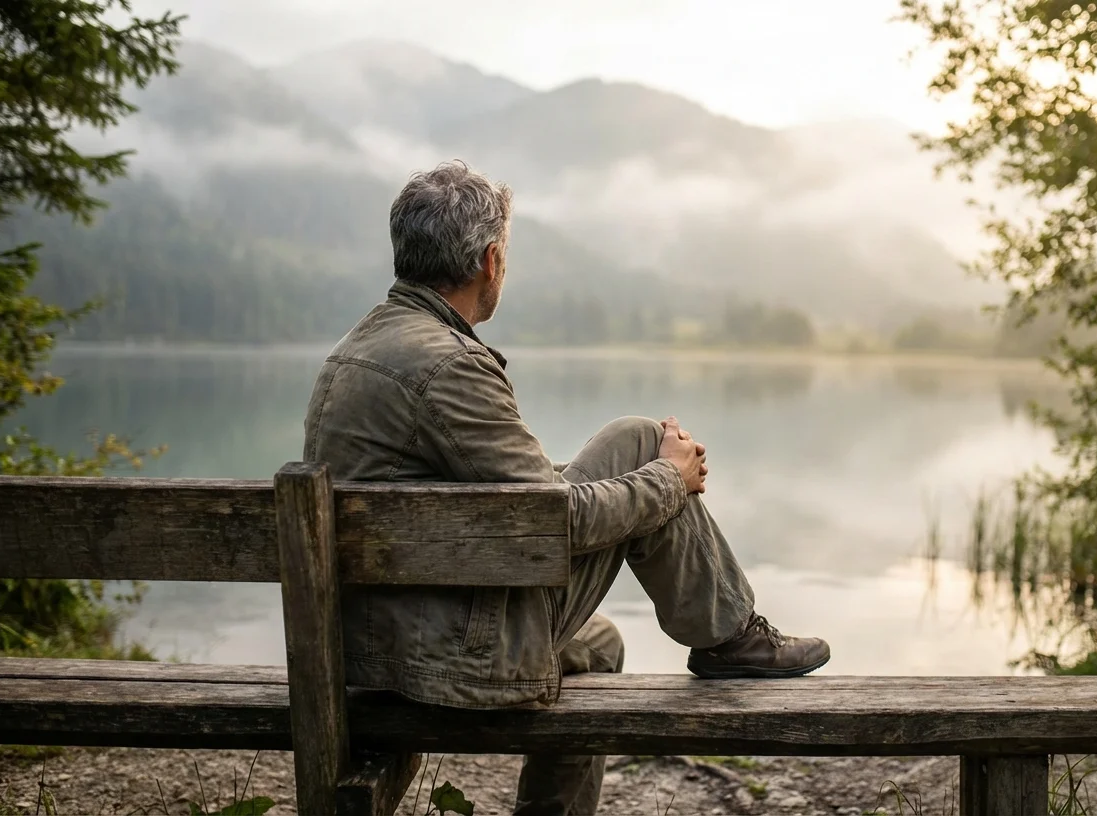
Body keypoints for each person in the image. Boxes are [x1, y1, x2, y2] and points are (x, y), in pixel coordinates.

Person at [303, 160, 830, 815]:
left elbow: (500, 497)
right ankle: (731, 638)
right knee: (644, 444)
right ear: (491, 260)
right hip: (441, 663)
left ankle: (726, 633)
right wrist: (668, 479)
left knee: (601, 643)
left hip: (367, 649)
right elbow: (554, 526)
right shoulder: (450, 365)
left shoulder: (361, 346)